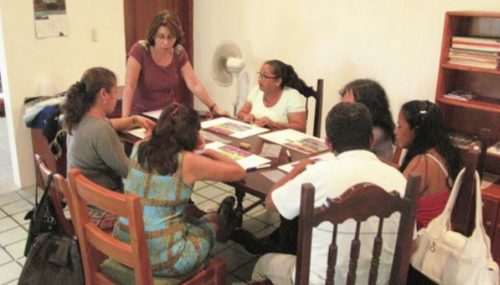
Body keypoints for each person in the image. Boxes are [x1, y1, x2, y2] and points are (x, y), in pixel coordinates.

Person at [251, 102, 407, 284]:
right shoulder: (399, 179)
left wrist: (298, 169)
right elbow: (410, 245)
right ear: (371, 139)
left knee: (262, 264)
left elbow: (271, 203)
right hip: (380, 281)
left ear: (328, 143)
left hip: (322, 280)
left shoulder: (317, 174)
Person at [113, 103, 246, 277]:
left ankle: (224, 221)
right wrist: (209, 152)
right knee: (214, 221)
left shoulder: (139, 147)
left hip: (124, 244)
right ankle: (226, 228)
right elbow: (239, 172)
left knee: (197, 218)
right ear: (192, 135)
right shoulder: (187, 161)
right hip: (164, 260)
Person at [62, 67, 155, 192]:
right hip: (103, 207)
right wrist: (142, 145)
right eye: (116, 92)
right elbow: (132, 174)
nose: (117, 98)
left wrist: (134, 120)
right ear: (104, 94)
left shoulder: (78, 119)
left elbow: (110, 123)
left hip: (83, 202)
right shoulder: (101, 130)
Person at [121, 10, 229, 118]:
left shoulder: (178, 52)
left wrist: (214, 107)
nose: (166, 42)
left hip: (168, 115)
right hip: (141, 115)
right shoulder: (140, 50)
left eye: (171, 37)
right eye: (161, 37)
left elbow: (194, 84)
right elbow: (130, 86)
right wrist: (124, 118)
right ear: (153, 35)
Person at [395, 100, 462, 230]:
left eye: (399, 126)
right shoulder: (442, 153)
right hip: (439, 233)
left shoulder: (423, 162)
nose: (396, 131)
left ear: (415, 131)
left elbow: (395, 202)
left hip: (423, 241)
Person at [236, 60, 313, 132]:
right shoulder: (257, 90)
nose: (260, 79)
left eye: (265, 77)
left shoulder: (292, 95)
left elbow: (301, 128)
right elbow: (241, 113)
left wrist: (273, 124)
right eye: (260, 75)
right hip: (256, 138)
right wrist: (246, 116)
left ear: (278, 81)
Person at [339, 78, 396, 161]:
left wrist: (349, 111)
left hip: (375, 171)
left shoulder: (377, 131)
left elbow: (344, 146)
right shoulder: (364, 125)